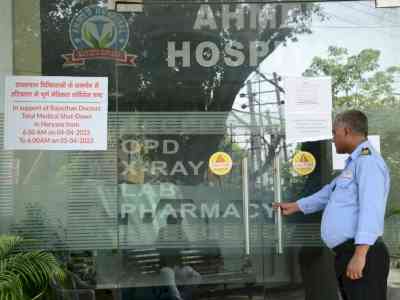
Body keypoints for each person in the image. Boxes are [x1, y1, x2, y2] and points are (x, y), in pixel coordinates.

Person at [274, 110, 390, 300]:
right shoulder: (355, 163)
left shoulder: (368, 163)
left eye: (334, 133)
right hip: (348, 252)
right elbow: (329, 192)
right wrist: (297, 206)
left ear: (346, 131)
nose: (332, 138)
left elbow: (371, 209)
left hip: (363, 254)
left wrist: (360, 255)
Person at [157, 214, 201, 300]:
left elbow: (188, 246)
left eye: (175, 222)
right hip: (166, 267)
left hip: (179, 268)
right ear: (168, 223)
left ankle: (183, 296)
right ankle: (178, 298)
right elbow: (158, 247)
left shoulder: (179, 231)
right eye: (172, 222)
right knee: (171, 281)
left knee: (197, 276)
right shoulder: (162, 231)